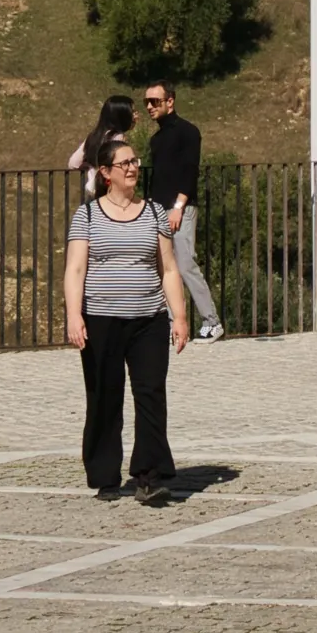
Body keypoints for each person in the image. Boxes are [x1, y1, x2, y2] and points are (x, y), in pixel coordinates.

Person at [63, 133, 189, 503]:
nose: (133, 168)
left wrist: (179, 317)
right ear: (106, 173)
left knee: (150, 393)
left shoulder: (153, 213)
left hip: (148, 318)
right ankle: (104, 474)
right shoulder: (87, 215)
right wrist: (74, 315)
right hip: (101, 318)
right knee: (104, 394)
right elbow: (75, 269)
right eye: (125, 163)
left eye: (135, 162)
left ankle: (149, 474)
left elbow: (168, 268)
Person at [142, 78, 223, 342]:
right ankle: (171, 322)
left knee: (186, 263)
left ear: (170, 101)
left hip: (180, 208)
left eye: (154, 101)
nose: (149, 107)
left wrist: (178, 206)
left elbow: (190, 171)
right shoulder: (156, 139)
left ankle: (211, 321)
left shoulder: (187, 131)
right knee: (163, 266)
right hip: (158, 208)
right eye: (146, 102)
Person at [65, 95, 133, 200]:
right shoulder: (118, 137)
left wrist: (90, 165)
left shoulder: (94, 135)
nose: (135, 115)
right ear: (123, 115)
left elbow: (73, 163)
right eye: (132, 112)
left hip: (93, 192)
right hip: (111, 193)